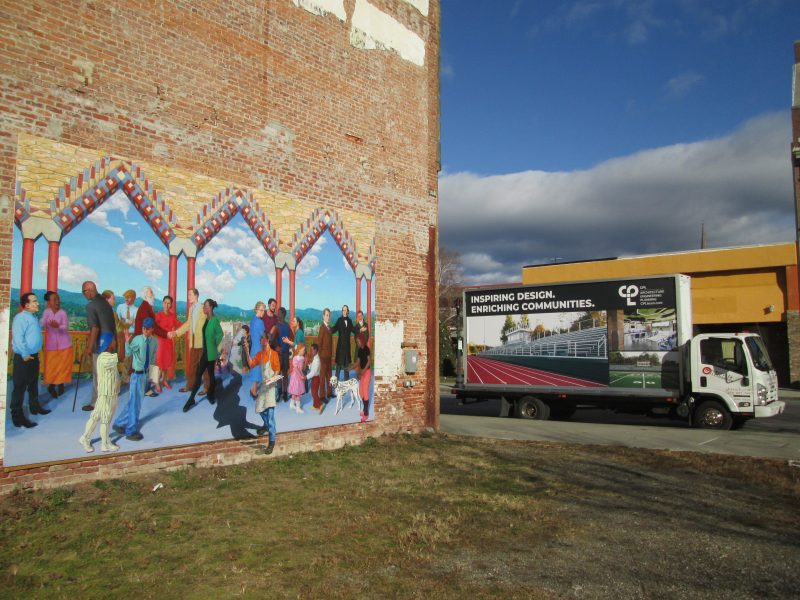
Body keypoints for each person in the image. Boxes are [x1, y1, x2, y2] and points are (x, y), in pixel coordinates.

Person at [113, 318, 157, 441]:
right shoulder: (138, 340)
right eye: (144, 328)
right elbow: (128, 353)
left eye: (148, 328)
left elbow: (153, 359)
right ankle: (130, 431)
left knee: (134, 402)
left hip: (145, 375)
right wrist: (127, 342)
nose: (145, 330)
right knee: (135, 404)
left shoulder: (154, 342)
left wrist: (153, 377)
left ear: (152, 329)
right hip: (136, 376)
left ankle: (118, 423)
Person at [79, 334, 120, 453]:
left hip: (111, 393)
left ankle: (85, 437)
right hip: (106, 394)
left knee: (96, 415)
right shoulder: (105, 357)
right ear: (107, 344)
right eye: (112, 340)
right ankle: (105, 443)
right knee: (105, 419)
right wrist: (124, 341)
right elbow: (122, 356)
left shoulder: (107, 356)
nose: (114, 342)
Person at [11, 293, 47, 428]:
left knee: (33, 384)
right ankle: (17, 416)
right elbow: (18, 338)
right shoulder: (20, 318)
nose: (37, 303)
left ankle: (34, 407)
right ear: (26, 305)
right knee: (20, 387)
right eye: (34, 301)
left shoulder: (32, 317)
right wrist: (25, 354)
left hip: (33, 356)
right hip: (24, 357)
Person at [81, 280, 117, 412]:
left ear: (90, 290)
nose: (84, 295)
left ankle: (96, 403)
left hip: (100, 344)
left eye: (84, 292)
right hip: (111, 342)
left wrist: (89, 348)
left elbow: (94, 328)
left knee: (98, 374)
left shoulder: (91, 306)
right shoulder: (106, 304)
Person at [183, 299, 224, 412]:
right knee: (210, 374)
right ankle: (210, 396)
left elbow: (220, 333)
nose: (203, 308)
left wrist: (214, 345)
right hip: (206, 351)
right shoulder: (206, 320)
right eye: (204, 306)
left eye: (205, 306)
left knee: (200, 373)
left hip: (210, 352)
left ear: (210, 307)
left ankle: (192, 399)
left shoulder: (214, 320)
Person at [246, 330, 281, 454]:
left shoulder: (274, 355)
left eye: (262, 338)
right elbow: (251, 364)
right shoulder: (260, 354)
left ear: (267, 341)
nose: (260, 340)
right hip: (264, 387)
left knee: (271, 417)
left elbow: (277, 372)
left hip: (272, 388)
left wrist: (270, 380)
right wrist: (246, 350)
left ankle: (271, 442)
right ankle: (266, 426)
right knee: (260, 408)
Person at [171, 288, 209, 395]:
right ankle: (190, 386)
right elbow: (188, 324)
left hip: (203, 342)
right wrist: (176, 333)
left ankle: (207, 387)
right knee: (192, 365)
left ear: (196, 295)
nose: (188, 297)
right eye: (188, 295)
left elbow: (210, 321)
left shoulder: (203, 308)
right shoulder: (191, 309)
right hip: (193, 342)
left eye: (190, 294)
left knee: (204, 367)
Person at [39, 291, 72, 398]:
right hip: (51, 345)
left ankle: (61, 385)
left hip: (64, 344)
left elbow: (66, 327)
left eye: (58, 299)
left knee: (62, 366)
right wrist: (45, 316)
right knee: (52, 367)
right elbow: (41, 323)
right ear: (49, 302)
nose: (57, 301)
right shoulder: (46, 312)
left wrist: (58, 326)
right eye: (54, 299)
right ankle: (52, 386)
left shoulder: (63, 313)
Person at [153, 295, 181, 394]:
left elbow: (178, 324)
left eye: (169, 303)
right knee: (159, 363)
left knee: (166, 363)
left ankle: (164, 380)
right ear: (162, 303)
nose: (166, 305)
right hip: (160, 342)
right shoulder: (159, 315)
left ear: (171, 305)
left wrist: (188, 325)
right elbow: (154, 328)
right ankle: (156, 382)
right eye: (165, 302)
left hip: (169, 342)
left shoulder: (172, 315)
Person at [244, 302, 267, 399]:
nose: (263, 312)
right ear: (256, 309)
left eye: (264, 310)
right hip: (259, 348)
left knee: (256, 370)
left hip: (254, 348)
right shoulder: (260, 322)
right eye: (261, 310)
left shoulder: (253, 320)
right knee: (258, 371)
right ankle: (253, 391)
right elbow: (264, 336)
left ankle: (253, 390)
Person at [116, 289, 138, 377]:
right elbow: (118, 321)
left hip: (132, 335)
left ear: (134, 298)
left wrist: (125, 320)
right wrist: (130, 321)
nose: (126, 299)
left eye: (128, 297)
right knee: (123, 355)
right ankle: (124, 377)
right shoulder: (120, 307)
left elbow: (136, 323)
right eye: (125, 297)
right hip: (122, 334)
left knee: (130, 356)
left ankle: (126, 377)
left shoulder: (136, 309)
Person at [331, 304, 355, 381]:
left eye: (345, 310)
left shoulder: (350, 321)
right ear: (342, 311)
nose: (344, 311)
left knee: (346, 366)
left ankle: (347, 382)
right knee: (338, 366)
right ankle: (335, 382)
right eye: (343, 310)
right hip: (340, 347)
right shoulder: (339, 320)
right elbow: (334, 329)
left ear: (347, 311)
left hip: (347, 347)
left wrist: (360, 330)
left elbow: (354, 330)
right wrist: (328, 329)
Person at [276, 307, 292, 401]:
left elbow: (292, 338)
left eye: (279, 313)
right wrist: (277, 346)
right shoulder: (276, 326)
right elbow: (272, 339)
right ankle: (280, 393)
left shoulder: (287, 326)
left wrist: (289, 344)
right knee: (278, 374)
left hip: (285, 353)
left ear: (283, 314)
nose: (278, 315)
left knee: (285, 374)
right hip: (278, 354)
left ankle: (285, 393)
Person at [317, 308, 333, 400]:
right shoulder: (322, 327)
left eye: (329, 315)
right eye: (327, 315)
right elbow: (319, 343)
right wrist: (320, 356)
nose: (328, 317)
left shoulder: (329, 327)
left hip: (329, 355)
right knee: (322, 376)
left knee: (329, 375)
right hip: (323, 356)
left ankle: (329, 393)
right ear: (323, 316)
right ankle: (322, 396)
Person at [355, 334, 371, 423]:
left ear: (361, 340)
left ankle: (366, 413)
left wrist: (363, 371)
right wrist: (358, 372)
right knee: (360, 392)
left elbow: (369, 361)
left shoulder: (366, 349)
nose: (357, 343)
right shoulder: (359, 350)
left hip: (367, 372)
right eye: (356, 341)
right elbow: (358, 362)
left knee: (365, 392)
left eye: (358, 341)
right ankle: (365, 409)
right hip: (362, 372)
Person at [286, 342, 307, 413]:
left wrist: (302, 374)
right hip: (295, 377)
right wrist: (301, 375)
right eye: (303, 350)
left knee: (295, 392)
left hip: (300, 375)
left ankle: (292, 404)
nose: (304, 352)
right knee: (297, 393)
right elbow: (295, 368)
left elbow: (301, 368)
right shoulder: (295, 358)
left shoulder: (302, 358)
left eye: (304, 350)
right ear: (299, 350)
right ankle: (298, 407)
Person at [308, 342, 323, 413]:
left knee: (314, 393)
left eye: (312, 350)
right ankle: (315, 405)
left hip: (316, 378)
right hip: (315, 378)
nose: (311, 351)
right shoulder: (315, 358)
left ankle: (320, 404)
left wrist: (305, 377)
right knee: (314, 392)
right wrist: (309, 365)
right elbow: (312, 368)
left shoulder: (317, 360)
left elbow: (313, 372)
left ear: (316, 350)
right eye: (311, 350)